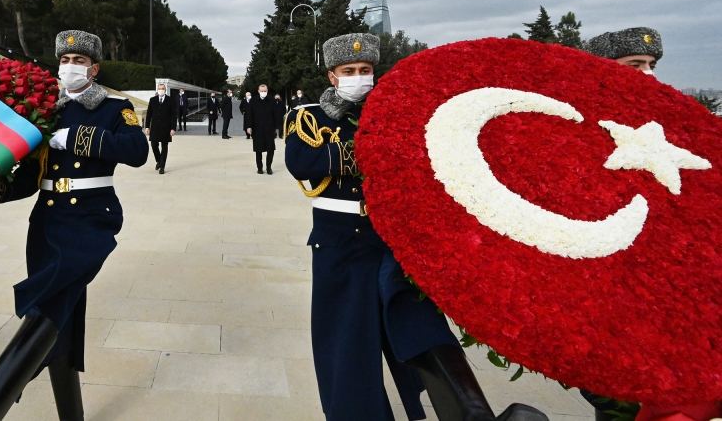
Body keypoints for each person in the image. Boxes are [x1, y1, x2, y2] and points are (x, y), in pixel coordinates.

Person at [285, 33, 546, 421]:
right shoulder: (308, 115)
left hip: (392, 240)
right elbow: (302, 162)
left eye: (366, 70)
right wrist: (375, 147)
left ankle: (470, 411)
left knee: (421, 326)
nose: (360, 76)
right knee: (348, 345)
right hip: (340, 243)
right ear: (332, 76)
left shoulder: (394, 112)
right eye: (349, 71)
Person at [0, 30, 148, 421]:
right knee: (61, 316)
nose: (69, 67)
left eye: (78, 61)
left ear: (94, 68)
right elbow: (28, 177)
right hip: (47, 222)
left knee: (47, 306)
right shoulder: (46, 110)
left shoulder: (114, 110)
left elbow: (137, 151)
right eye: (64, 61)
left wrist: (79, 138)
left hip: (90, 221)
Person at [581, 27, 721, 421]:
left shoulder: (662, 125)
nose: (648, 75)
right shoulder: (584, 130)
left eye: (652, 65)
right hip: (610, 307)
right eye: (634, 64)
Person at [245, 83, 282, 175]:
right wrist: (248, 126)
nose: (263, 92)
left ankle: (269, 167)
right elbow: (249, 114)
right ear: (258, 91)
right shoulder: (253, 100)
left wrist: (277, 127)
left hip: (269, 129)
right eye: (261, 91)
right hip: (257, 129)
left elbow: (276, 114)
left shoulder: (272, 100)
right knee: (258, 150)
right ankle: (260, 168)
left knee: (271, 149)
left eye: (265, 91)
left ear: (267, 91)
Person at [144, 82, 177, 174]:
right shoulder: (152, 100)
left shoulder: (170, 100)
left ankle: (162, 166)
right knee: (154, 145)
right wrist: (147, 126)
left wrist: (173, 128)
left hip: (166, 128)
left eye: (162, 88)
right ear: (157, 89)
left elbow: (174, 115)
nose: (161, 90)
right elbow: (149, 114)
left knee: (164, 146)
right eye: (159, 88)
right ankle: (159, 161)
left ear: (165, 90)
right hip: (154, 127)